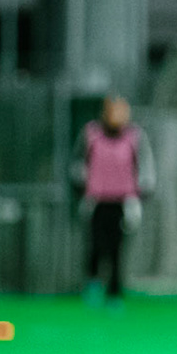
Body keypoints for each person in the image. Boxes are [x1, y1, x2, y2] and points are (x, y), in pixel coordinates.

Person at [73, 95, 155, 304]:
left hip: (123, 202)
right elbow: (78, 164)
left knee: (117, 249)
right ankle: (92, 284)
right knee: (96, 245)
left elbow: (145, 168)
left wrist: (141, 194)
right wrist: (81, 190)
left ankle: (115, 292)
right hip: (97, 200)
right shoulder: (91, 135)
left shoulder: (135, 137)